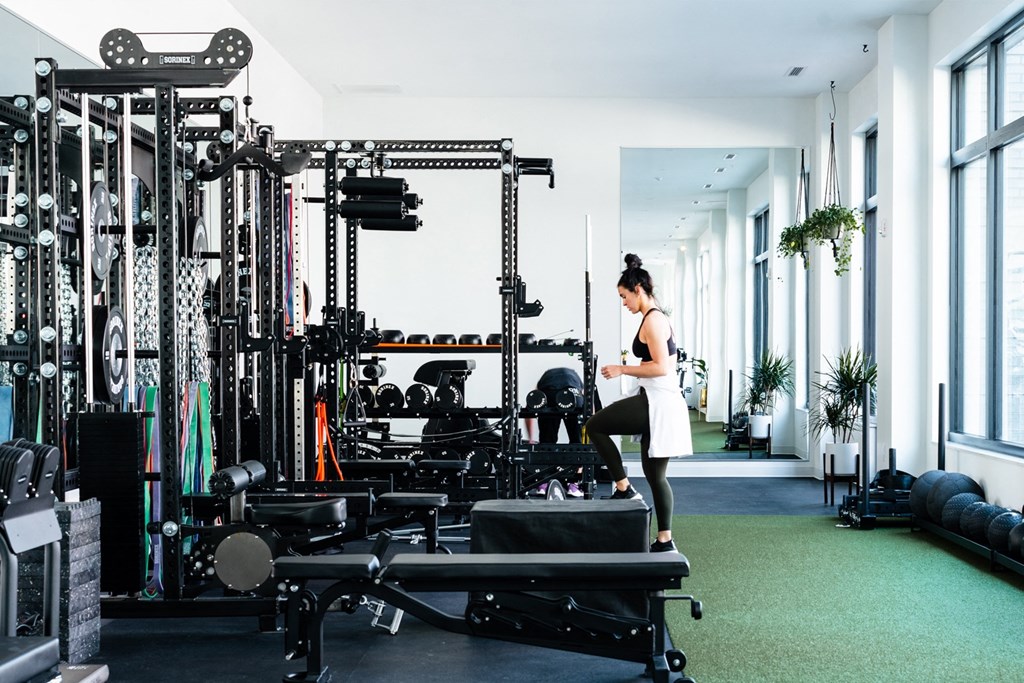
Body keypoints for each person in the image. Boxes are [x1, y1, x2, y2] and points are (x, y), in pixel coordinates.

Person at [585, 253, 692, 552]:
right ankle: (665, 540)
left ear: (638, 290)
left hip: (658, 402)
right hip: (657, 400)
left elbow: (661, 367)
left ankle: (624, 487)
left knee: (595, 425)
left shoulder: (654, 320)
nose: (624, 303)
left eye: (624, 297)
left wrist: (621, 368)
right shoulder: (654, 317)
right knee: (656, 476)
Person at [524, 367, 590, 497]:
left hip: (549, 394)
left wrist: (530, 437)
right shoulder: (576, 382)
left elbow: (530, 410)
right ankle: (574, 483)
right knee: (578, 443)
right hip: (572, 396)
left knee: (547, 442)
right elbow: (590, 411)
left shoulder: (543, 383)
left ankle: (543, 483)